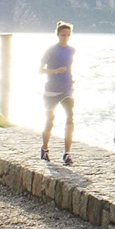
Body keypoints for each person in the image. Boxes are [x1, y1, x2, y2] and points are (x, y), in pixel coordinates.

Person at [40, 22, 76, 165]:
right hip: (51, 90)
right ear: (58, 35)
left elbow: (70, 67)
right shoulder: (51, 50)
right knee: (50, 121)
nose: (65, 38)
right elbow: (39, 69)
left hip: (67, 89)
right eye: (63, 35)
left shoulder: (72, 50)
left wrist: (72, 80)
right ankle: (45, 148)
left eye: (68, 35)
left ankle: (67, 154)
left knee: (70, 118)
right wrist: (54, 71)